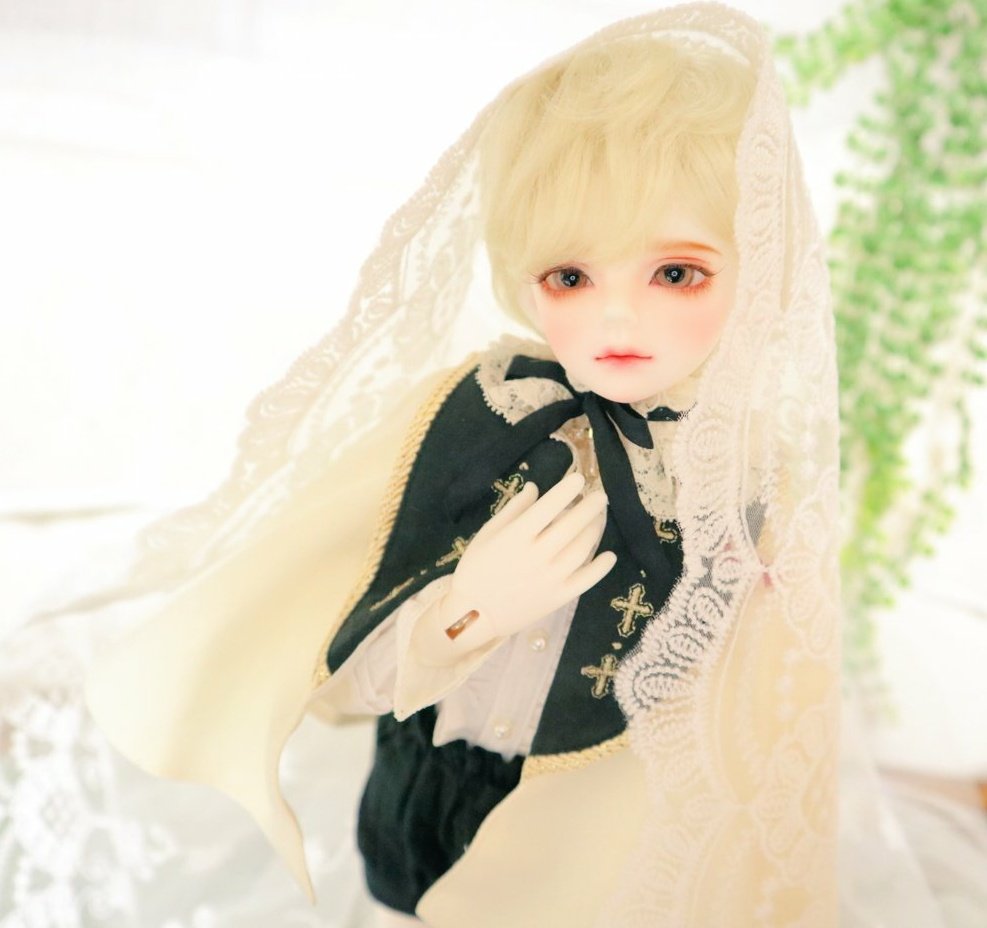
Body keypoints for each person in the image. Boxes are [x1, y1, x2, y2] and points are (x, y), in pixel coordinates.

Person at [79, 4, 843, 926]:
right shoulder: (474, 420)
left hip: (596, 843)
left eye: (675, 273)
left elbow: (756, 737)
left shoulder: (744, 480)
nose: (615, 317)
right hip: (424, 792)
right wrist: (464, 613)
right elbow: (328, 662)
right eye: (570, 276)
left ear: (757, 272)